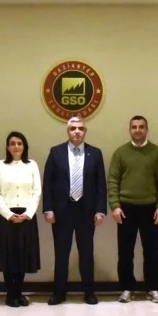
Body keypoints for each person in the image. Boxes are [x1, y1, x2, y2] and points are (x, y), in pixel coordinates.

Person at [43, 116, 107, 305]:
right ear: (68, 131)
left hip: (86, 210)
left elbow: (100, 184)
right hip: (62, 211)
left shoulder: (95, 153)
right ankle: (59, 292)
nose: (77, 131)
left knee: (86, 253)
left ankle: (89, 292)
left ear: (85, 131)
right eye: (73, 128)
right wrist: (48, 208)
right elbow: (48, 183)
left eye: (80, 128)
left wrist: (100, 210)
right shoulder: (56, 152)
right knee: (61, 253)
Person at [108, 115, 158, 304]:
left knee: (152, 251)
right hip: (126, 208)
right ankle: (127, 288)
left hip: (150, 208)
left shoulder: (157, 152)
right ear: (130, 130)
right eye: (134, 127)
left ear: (146, 130)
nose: (137, 130)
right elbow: (113, 180)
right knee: (125, 251)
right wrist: (115, 206)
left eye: (141, 127)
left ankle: (153, 288)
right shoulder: (120, 153)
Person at [0, 131, 42, 307]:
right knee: (8, 257)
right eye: (12, 143)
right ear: (7, 147)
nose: (16, 146)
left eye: (19, 143)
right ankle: (10, 294)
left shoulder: (32, 165)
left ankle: (19, 293)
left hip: (26, 216)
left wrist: (28, 213)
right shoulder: (0, 166)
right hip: (5, 217)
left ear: (24, 146)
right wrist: (8, 214)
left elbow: (37, 191)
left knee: (22, 257)